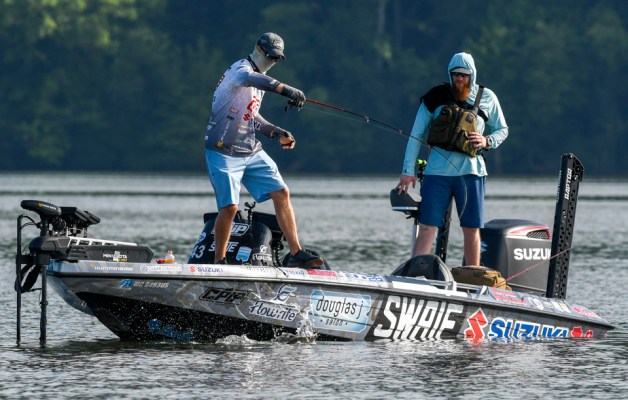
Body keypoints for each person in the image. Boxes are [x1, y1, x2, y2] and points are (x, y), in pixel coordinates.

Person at [204, 32, 323, 268]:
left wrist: (276, 131)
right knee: (230, 208)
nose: (273, 61)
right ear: (258, 50)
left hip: (249, 149)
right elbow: (254, 79)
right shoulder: (240, 70)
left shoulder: (259, 81)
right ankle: (220, 261)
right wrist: (287, 90)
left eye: (277, 59)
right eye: (270, 56)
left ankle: (296, 252)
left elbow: (251, 117)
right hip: (222, 151)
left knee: (282, 192)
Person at [396, 52, 508, 266]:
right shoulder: (435, 97)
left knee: (471, 229)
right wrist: (407, 171)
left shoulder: (487, 97)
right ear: (450, 74)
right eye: (455, 74)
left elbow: (502, 129)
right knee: (427, 226)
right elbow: (416, 135)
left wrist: (487, 141)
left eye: (464, 75)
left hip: (471, 174)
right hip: (437, 174)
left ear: (472, 75)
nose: (459, 79)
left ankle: (472, 275)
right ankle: (415, 274)